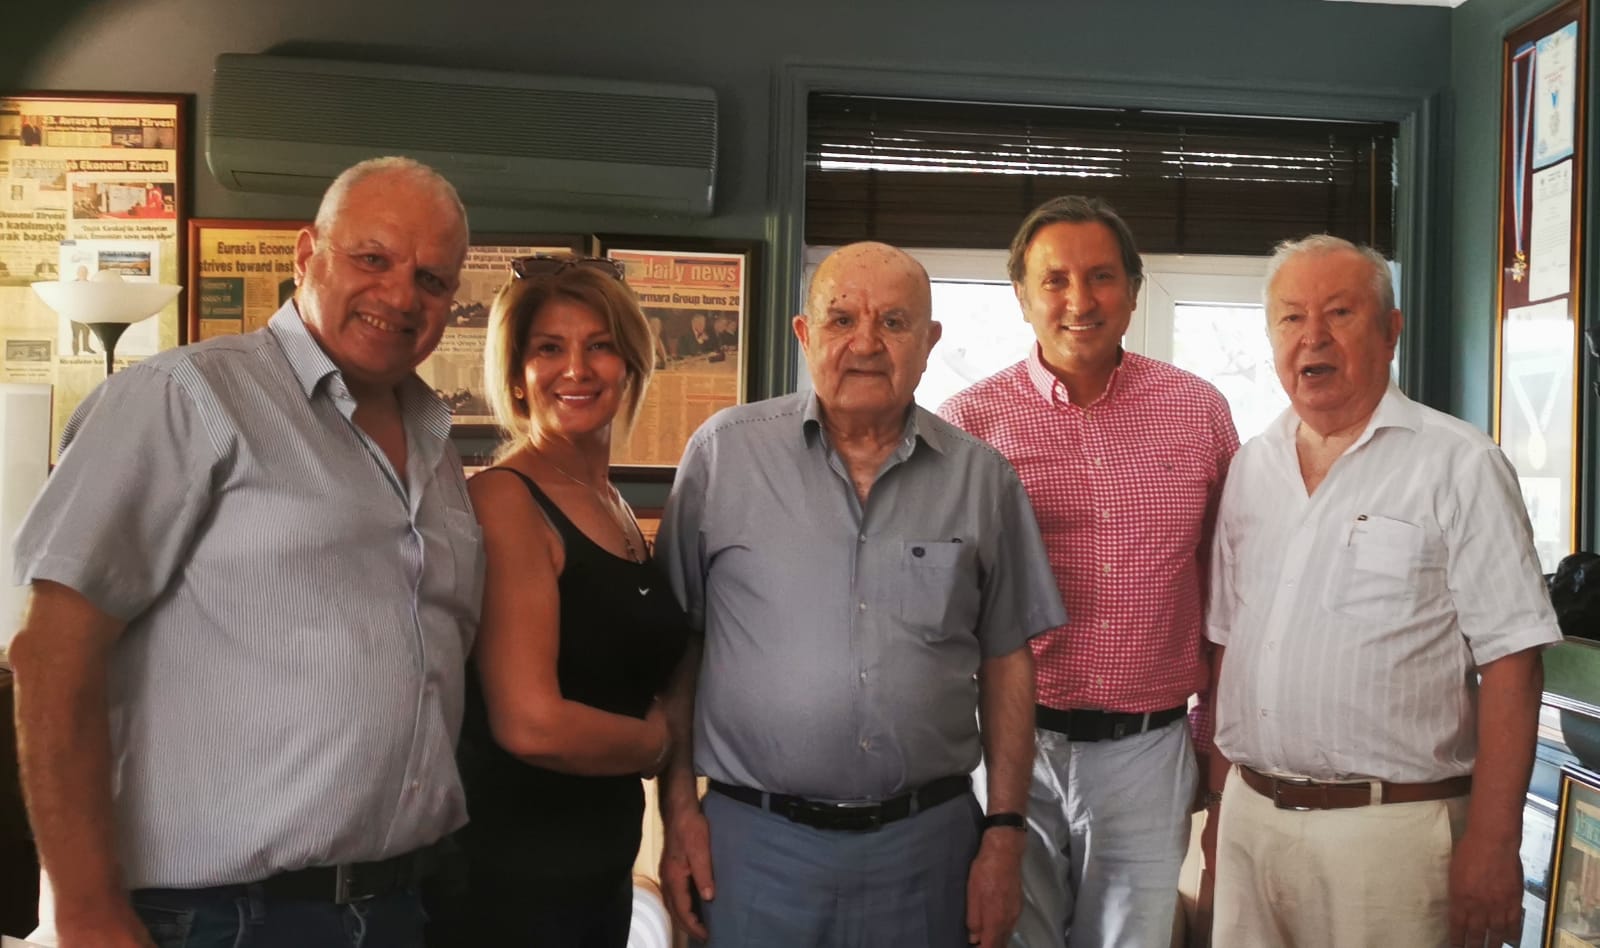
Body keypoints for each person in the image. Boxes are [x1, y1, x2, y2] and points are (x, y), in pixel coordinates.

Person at [8, 155, 481, 948]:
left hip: (396, 906)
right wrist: (84, 910)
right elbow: (53, 655)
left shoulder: (439, 449)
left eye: (432, 280)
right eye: (373, 258)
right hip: (219, 919)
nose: (402, 296)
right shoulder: (185, 398)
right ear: (307, 253)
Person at [655, 241, 1067, 948]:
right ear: (804, 334)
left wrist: (1004, 830)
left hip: (928, 851)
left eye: (894, 322)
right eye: (841, 319)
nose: (867, 343)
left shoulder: (983, 481)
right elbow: (680, 647)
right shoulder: (724, 456)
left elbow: (1007, 661)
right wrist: (677, 811)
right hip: (753, 849)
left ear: (929, 341)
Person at [1203, 234, 1561, 948]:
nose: (1312, 337)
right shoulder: (1250, 466)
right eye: (1291, 318)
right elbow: (1227, 647)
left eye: (1339, 313)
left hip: (1392, 838)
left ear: (1390, 330)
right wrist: (1218, 816)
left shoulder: (1459, 464)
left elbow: (1513, 663)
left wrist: (1494, 844)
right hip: (1251, 824)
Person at [939, 195, 1238, 948]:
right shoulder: (968, 423)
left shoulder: (1198, 411)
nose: (1080, 300)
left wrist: (1211, 748)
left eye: (1102, 276)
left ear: (1133, 290)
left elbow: (1229, 594)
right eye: (1055, 280)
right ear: (1021, 295)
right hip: (1013, 748)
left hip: (1149, 749)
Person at [430, 254, 688, 947]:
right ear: (517, 375)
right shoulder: (506, 499)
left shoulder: (611, 502)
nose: (577, 369)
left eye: (599, 346)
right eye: (549, 349)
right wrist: (659, 743)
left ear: (630, 365)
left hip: (595, 865)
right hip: (511, 877)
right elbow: (531, 723)